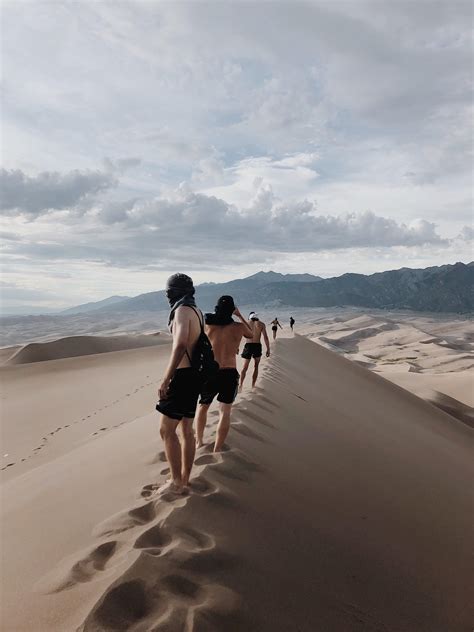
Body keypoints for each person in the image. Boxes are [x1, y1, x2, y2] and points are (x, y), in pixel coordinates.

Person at [156, 273, 202, 494]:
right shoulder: (197, 311)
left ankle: (176, 482)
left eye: (168, 292)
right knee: (187, 430)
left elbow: (181, 342)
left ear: (175, 292)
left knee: (166, 430)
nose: (167, 296)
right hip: (194, 376)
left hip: (183, 376)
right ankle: (184, 479)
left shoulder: (182, 311)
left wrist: (166, 378)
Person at [196, 296, 252, 451]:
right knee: (225, 411)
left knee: (203, 406)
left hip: (210, 372)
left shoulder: (208, 325)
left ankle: (199, 441)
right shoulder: (239, 327)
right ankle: (217, 448)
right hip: (229, 372)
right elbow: (251, 334)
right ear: (232, 309)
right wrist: (239, 315)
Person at [240, 312, 270, 390]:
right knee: (256, 366)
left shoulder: (246, 323)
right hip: (257, 346)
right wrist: (268, 349)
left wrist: (237, 347)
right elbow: (265, 337)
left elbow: (239, 336)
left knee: (244, 367)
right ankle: (253, 385)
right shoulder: (261, 324)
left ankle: (241, 385)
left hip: (248, 345)